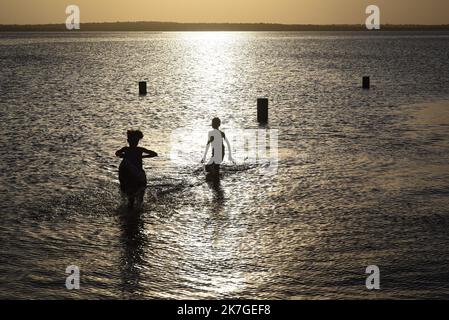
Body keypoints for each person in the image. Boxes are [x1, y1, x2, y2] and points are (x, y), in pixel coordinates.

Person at [116, 130, 158, 208]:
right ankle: (131, 209)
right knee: (130, 195)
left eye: (136, 141)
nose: (135, 143)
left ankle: (137, 209)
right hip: (127, 173)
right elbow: (117, 153)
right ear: (128, 141)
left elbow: (154, 154)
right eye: (133, 140)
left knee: (140, 195)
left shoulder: (139, 150)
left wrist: (142, 157)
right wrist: (122, 155)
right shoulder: (126, 149)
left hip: (138, 174)